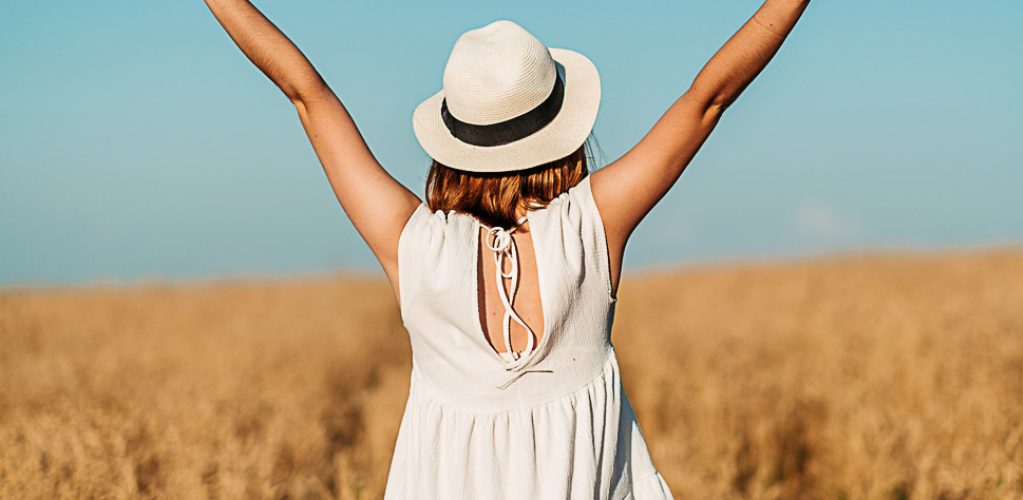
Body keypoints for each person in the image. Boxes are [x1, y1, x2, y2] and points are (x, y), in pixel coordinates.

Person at [204, 1, 809, 498]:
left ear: (453, 139)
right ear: (562, 129)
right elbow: (709, 97)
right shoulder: (593, 226)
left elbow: (306, 93)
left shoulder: (413, 246)